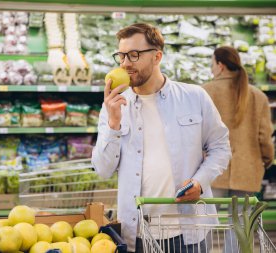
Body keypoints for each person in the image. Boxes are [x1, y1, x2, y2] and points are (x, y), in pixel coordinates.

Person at [91, 23, 232, 253]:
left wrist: (200, 181)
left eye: (134, 55)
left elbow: (220, 147)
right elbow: (103, 170)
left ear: (157, 56)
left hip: (188, 233)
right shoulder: (113, 107)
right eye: (121, 55)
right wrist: (113, 124)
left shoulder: (194, 97)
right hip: (135, 234)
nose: (125, 63)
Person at [203, 46, 274, 252]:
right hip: (248, 169)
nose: (211, 70)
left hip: (212, 169)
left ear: (220, 65)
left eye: (212, 64)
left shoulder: (205, 92)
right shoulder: (258, 96)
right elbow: (264, 138)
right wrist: (266, 160)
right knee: (240, 225)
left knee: (204, 221)